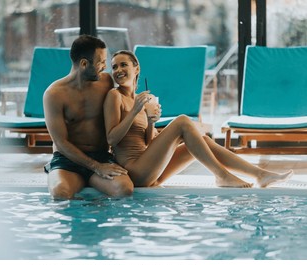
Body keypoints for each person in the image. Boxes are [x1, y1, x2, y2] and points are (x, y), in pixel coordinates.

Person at [103, 50, 293, 188]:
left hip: (152, 170)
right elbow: (111, 139)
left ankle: (259, 174)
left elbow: (147, 142)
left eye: (123, 64)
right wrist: (136, 111)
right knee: (183, 121)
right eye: (114, 66)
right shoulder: (115, 95)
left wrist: (151, 121)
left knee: (203, 141)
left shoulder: (142, 99)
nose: (118, 70)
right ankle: (221, 175)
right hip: (135, 172)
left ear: (136, 69)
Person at [43, 35, 134, 200]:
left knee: (124, 190)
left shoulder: (106, 82)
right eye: (101, 62)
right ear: (84, 64)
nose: (105, 67)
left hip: (101, 156)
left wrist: (147, 110)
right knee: (60, 193)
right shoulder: (54, 94)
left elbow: (129, 94)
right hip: (68, 161)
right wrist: (96, 167)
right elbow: (61, 143)